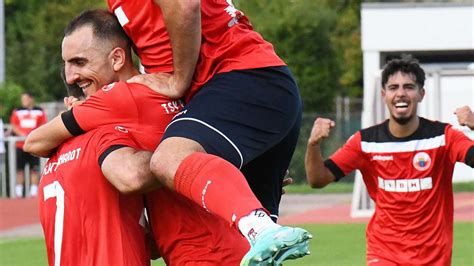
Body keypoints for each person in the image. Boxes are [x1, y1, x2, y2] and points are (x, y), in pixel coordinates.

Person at [26, 9, 250, 265]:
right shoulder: (107, 130)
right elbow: (134, 187)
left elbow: (34, 142)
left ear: (118, 58)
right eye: (66, 64)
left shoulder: (90, 129)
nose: (69, 76)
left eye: (79, 62)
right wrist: (219, 163)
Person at [107, 1, 310, 263]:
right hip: (257, 83)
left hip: (240, 79)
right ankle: (259, 228)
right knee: (248, 251)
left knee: (169, 158)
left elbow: (184, 5)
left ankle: (260, 228)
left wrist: (177, 81)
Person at [305, 57, 474, 265]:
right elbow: (318, 179)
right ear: (384, 94)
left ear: (421, 94)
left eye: (409, 87)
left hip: (433, 257)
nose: (401, 93)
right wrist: (313, 144)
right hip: (384, 253)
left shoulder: (444, 137)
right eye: (393, 87)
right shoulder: (365, 141)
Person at [9, 91, 47, 197]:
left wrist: (32, 135)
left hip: (34, 145)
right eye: (22, 99)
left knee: (34, 169)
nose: (23, 101)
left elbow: (43, 125)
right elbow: (14, 126)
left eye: (25, 99)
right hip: (20, 145)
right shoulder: (17, 111)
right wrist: (23, 134)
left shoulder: (39, 111)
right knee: (19, 169)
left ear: (31, 99)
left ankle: (33, 193)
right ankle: (19, 193)